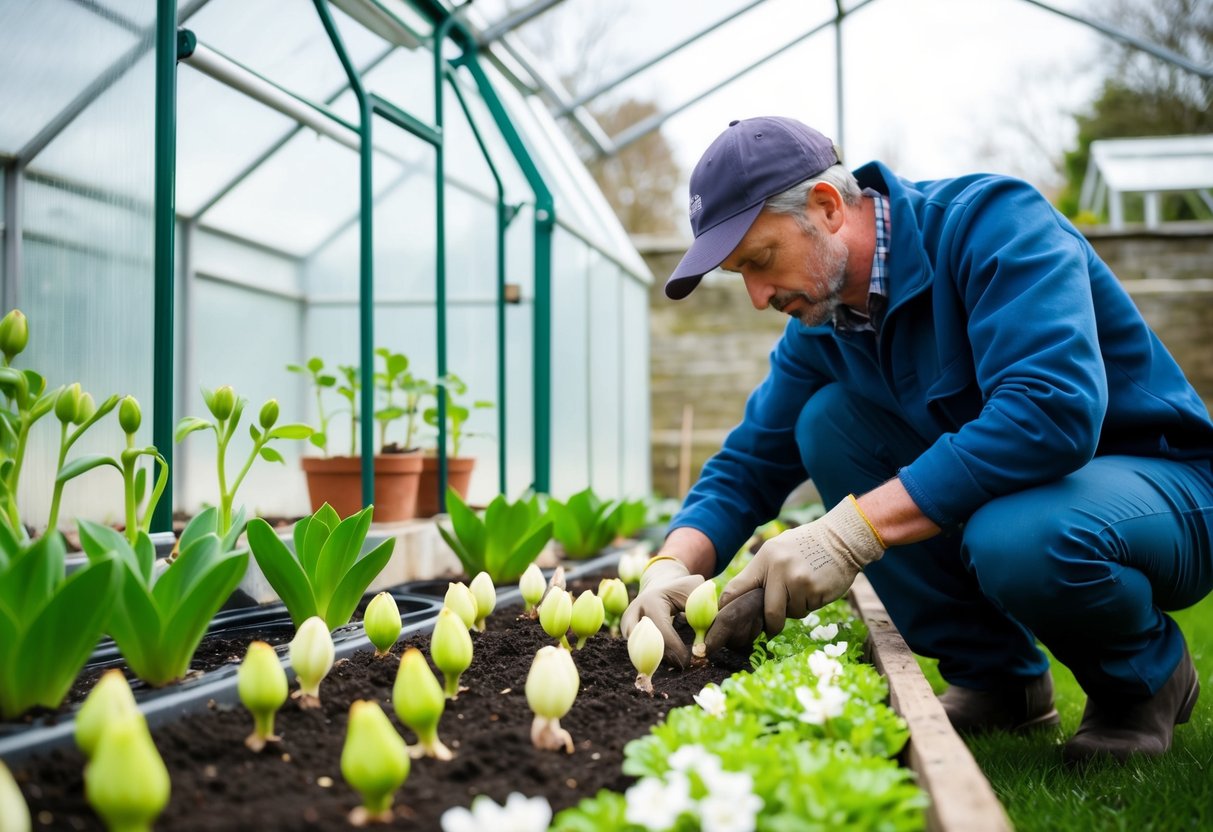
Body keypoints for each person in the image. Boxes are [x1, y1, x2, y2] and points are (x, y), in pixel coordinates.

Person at [621, 116, 1213, 764]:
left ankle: (1141, 683)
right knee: (824, 420)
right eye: (740, 275)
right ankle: (998, 682)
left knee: (1016, 534)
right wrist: (669, 566)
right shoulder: (822, 330)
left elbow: (1051, 411)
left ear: (825, 208)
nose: (758, 296)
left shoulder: (992, 223)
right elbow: (746, 465)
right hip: (1027, 497)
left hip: (1161, 484)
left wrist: (848, 532)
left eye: (760, 261)